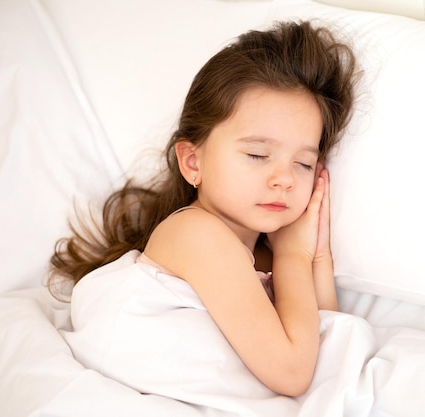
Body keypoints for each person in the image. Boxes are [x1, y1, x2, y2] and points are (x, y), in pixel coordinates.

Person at [49, 20, 358, 398]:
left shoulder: (266, 253)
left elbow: (330, 348)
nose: (285, 179)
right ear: (193, 162)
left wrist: (317, 255)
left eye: (304, 163)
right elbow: (294, 373)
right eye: (258, 154)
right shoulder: (196, 234)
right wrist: (294, 256)